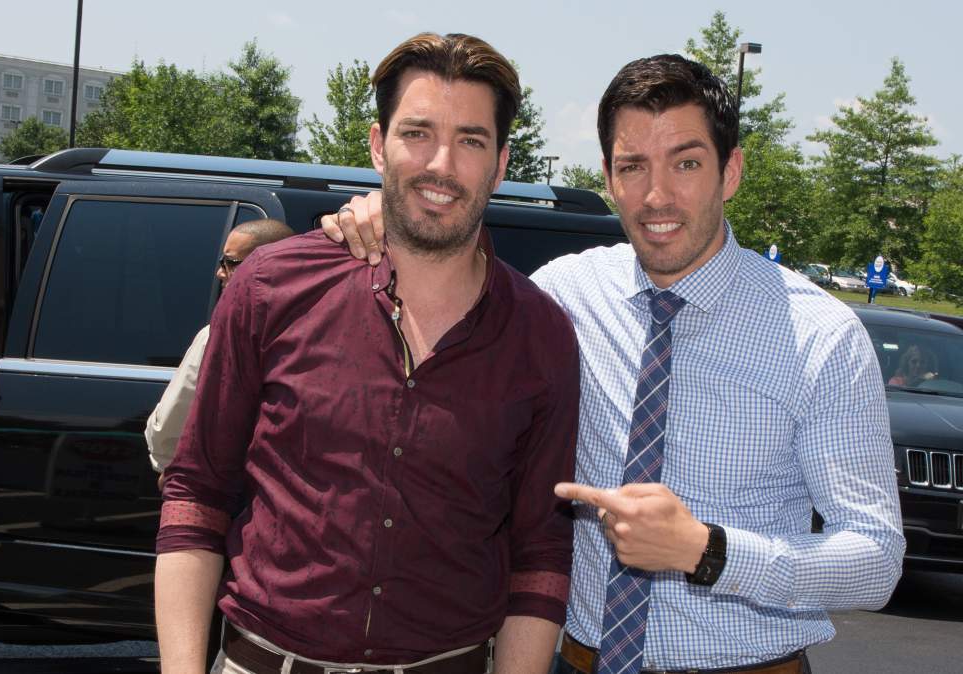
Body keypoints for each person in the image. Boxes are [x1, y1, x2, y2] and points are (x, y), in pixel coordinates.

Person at [324, 53, 904, 674]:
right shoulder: (563, 296)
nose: (657, 195)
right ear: (607, 176)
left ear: (731, 170)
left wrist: (708, 551)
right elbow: (452, 277)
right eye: (632, 166)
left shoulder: (820, 336)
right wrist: (385, 218)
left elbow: (875, 559)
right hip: (577, 661)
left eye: (686, 163)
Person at [154, 32, 579, 674]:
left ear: (500, 164)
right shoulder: (270, 287)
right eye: (418, 133)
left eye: (471, 140)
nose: (442, 164)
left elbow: (540, 555)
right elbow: (196, 493)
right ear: (379, 145)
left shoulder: (540, 334)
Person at [144, 218, 294, 481]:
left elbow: (169, 428)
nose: (220, 273)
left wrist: (170, 465)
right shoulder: (321, 332)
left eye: (230, 263)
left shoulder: (218, 335)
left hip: (225, 487)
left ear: (263, 266)